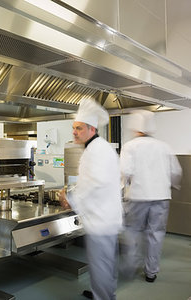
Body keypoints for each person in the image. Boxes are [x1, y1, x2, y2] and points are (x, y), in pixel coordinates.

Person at [59, 98, 122, 300]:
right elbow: (90, 181)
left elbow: (93, 184)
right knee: (105, 263)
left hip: (101, 221)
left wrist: (70, 199)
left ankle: (103, 297)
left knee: (101, 264)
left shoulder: (97, 150)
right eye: (73, 128)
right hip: (106, 218)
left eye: (78, 128)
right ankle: (103, 293)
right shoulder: (98, 147)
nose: (74, 132)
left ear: (91, 129)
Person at [120, 110, 182, 283]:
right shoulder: (164, 146)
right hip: (161, 197)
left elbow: (125, 171)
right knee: (156, 234)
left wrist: (123, 186)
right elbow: (176, 171)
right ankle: (151, 272)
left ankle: (131, 267)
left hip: (138, 197)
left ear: (135, 128)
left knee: (133, 231)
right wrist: (171, 185)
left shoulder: (130, 146)